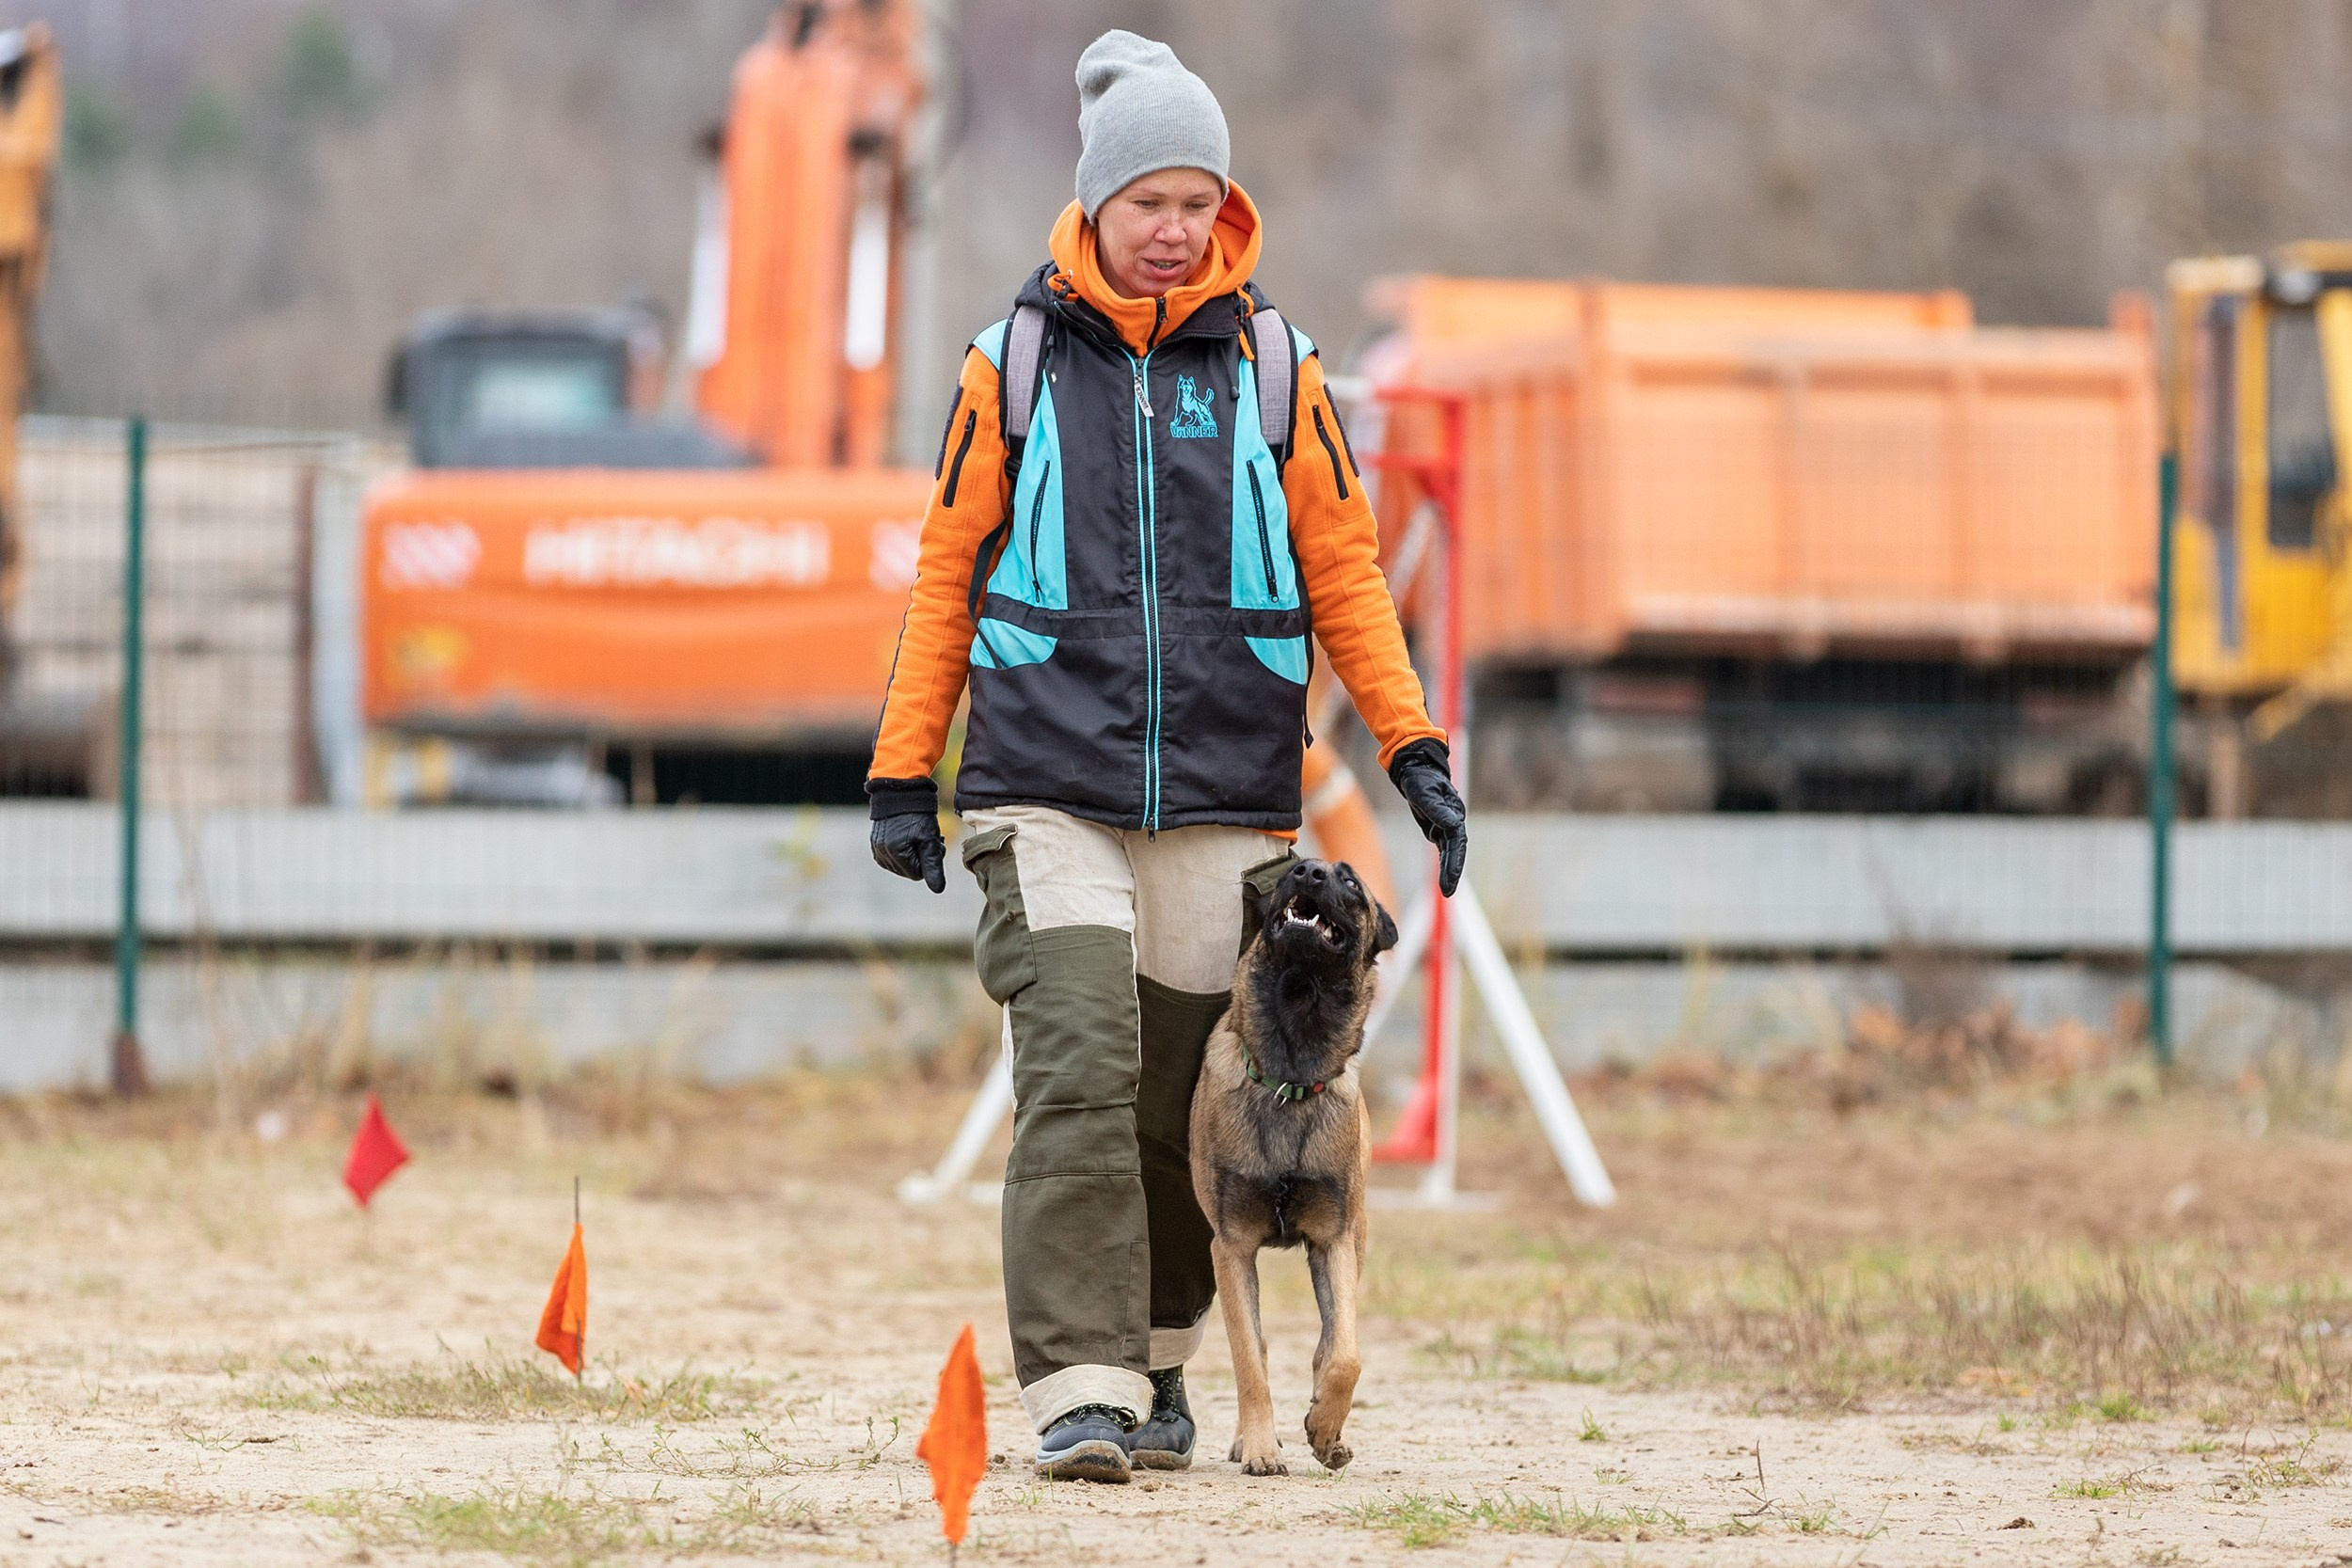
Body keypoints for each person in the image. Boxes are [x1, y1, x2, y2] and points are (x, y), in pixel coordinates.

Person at [866, 28, 1467, 1483]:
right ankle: (1079, 1392)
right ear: (1097, 205)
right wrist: (905, 769)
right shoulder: (1008, 366)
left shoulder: (1276, 372)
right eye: (1152, 202)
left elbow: (1349, 576)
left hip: (1226, 795)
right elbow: (945, 576)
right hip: (1041, 782)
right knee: (1077, 1064)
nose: (1177, 227)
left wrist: (1415, 746)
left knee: (1188, 1093)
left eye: (1200, 200)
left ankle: (1159, 1363)